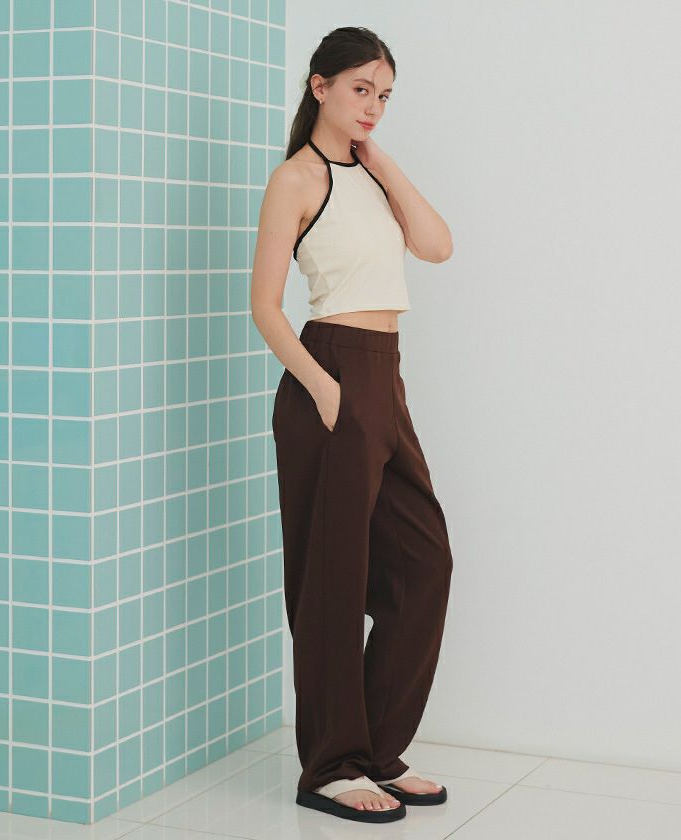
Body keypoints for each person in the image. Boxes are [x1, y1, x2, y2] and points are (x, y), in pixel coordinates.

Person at [251, 26, 454, 824]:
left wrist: (381, 160)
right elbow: (266, 307)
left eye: (384, 95)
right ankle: (331, 767)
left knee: (424, 562)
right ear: (320, 86)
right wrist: (326, 390)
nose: (373, 106)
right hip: (329, 373)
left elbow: (436, 245)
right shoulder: (295, 179)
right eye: (361, 89)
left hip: (385, 378)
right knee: (332, 582)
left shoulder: (370, 174)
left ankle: (374, 749)